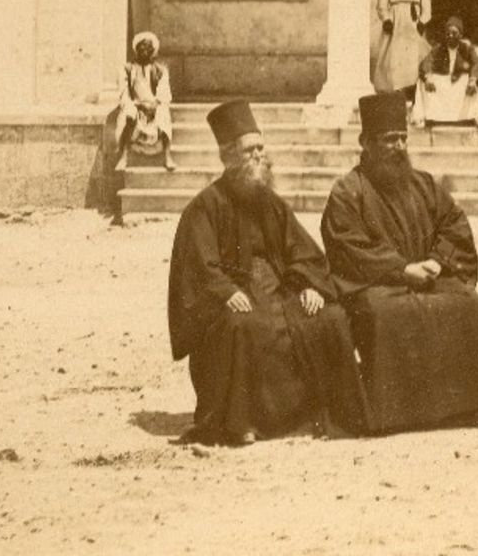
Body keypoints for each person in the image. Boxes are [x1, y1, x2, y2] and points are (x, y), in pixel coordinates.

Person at [166, 99, 366, 447]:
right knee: (242, 325)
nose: (259, 156)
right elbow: (199, 266)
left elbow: (302, 249)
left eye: (261, 148)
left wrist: (308, 284)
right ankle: (241, 422)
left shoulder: (270, 201)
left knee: (328, 317)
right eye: (249, 151)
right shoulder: (204, 207)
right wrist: (226, 292)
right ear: (227, 157)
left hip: (279, 288)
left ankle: (319, 412)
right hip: (234, 294)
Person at [321, 91, 478, 433]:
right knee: (388, 314)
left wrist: (438, 261)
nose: (398, 147)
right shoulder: (347, 191)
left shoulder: (423, 184)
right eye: (388, 139)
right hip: (378, 285)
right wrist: (401, 270)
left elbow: (454, 224)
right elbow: (348, 247)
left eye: (402, 138)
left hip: (429, 275)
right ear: (365, 142)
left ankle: (471, 406)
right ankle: (400, 416)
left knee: (468, 303)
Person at [370, 0, 432, 97]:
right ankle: (393, 88)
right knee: (394, 54)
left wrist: (423, 20)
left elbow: (426, 0)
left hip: (413, 19)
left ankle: (411, 87)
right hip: (395, 18)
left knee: (413, 54)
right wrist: (386, 19)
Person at [115, 30, 174, 170]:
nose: (144, 50)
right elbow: (123, 94)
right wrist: (138, 105)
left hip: (153, 105)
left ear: (153, 50)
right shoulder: (127, 69)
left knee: (164, 113)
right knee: (129, 113)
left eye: (148, 47)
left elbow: (164, 93)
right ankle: (124, 156)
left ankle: (168, 156)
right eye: (141, 47)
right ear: (136, 49)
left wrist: (154, 105)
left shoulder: (160, 70)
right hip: (135, 104)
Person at [413, 14, 478, 126]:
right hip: (444, 85)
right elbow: (425, 63)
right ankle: (424, 116)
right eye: (448, 33)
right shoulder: (439, 48)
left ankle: (476, 115)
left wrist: (473, 79)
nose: (450, 36)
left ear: (460, 35)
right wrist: (428, 78)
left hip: (460, 85)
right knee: (422, 82)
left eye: (454, 33)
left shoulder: (467, 48)